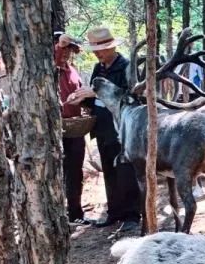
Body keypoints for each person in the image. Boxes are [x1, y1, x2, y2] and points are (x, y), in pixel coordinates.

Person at [66, 26, 141, 232]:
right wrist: (81, 100)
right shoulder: (99, 69)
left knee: (125, 170)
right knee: (109, 169)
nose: (98, 53)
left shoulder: (126, 68)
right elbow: (93, 97)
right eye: (96, 50)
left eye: (102, 49)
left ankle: (132, 214)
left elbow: (132, 98)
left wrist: (95, 93)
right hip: (103, 127)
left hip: (124, 128)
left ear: (112, 48)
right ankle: (114, 212)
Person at [55, 33, 92, 225]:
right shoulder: (49, 68)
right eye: (64, 49)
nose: (66, 53)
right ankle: (57, 214)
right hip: (54, 131)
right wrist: (61, 43)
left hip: (74, 129)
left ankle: (75, 213)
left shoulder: (72, 71)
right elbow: (56, 52)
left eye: (69, 50)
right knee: (55, 172)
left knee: (75, 171)